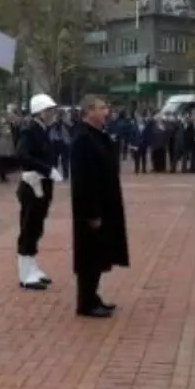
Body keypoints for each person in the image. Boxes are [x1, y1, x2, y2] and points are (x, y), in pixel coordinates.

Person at [69, 95, 130, 318]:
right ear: (89, 111)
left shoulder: (98, 135)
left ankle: (93, 296)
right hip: (91, 210)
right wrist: (91, 212)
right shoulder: (83, 139)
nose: (107, 111)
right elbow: (83, 181)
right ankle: (85, 303)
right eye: (102, 108)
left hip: (105, 205)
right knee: (89, 256)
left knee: (100, 253)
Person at [15, 93, 64, 290]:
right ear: (40, 112)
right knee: (28, 227)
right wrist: (47, 169)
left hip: (42, 185)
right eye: (48, 110)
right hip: (32, 185)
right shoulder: (30, 131)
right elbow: (22, 155)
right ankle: (25, 273)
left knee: (36, 227)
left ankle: (32, 267)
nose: (52, 113)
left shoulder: (42, 130)